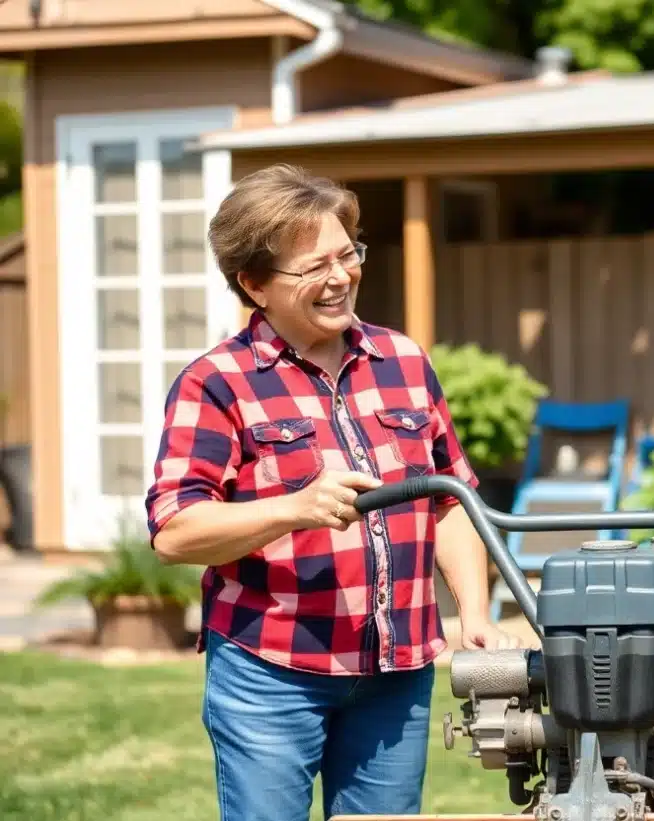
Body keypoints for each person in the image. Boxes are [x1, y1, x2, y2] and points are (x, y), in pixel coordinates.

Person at [145, 163, 522, 821]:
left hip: (396, 673)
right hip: (271, 673)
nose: (341, 276)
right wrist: (295, 507)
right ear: (255, 284)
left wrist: (475, 613)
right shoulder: (217, 383)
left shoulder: (403, 360)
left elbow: (451, 499)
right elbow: (176, 529)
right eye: (314, 265)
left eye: (348, 254)